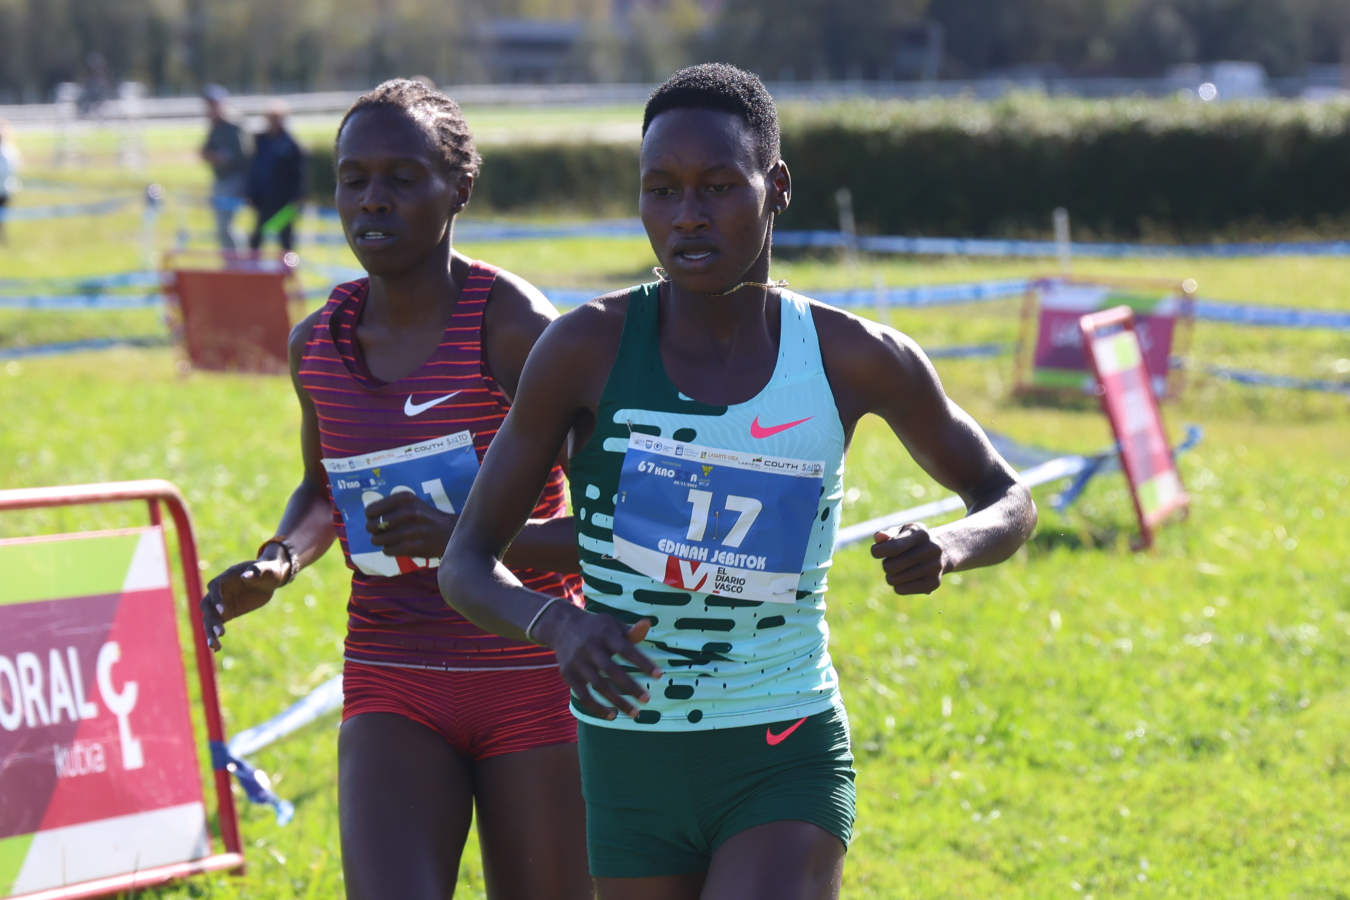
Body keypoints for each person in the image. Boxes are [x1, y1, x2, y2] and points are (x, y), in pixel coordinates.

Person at [439, 63, 1038, 900]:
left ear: (776, 187)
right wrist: (558, 628)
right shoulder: (586, 349)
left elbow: (1007, 496)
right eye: (662, 189)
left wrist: (951, 545)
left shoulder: (853, 357)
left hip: (782, 746)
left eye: (719, 186)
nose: (687, 215)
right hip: (628, 759)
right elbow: (465, 562)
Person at [201, 78, 593, 900]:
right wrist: (277, 563)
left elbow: (614, 526)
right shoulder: (318, 344)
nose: (371, 201)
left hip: (528, 665)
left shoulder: (517, 327)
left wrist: (467, 540)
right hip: (390, 669)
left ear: (459, 188)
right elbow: (322, 490)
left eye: (402, 178)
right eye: (353, 178)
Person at [246, 100, 306, 254]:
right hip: (264, 199)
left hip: (284, 201)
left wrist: (298, 198)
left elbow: (299, 174)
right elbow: (254, 168)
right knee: (256, 238)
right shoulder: (260, 140)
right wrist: (251, 192)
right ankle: (253, 271)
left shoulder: (291, 144)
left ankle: (287, 273)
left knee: (286, 240)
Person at [200, 85, 248, 251]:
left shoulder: (233, 126)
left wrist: (219, 157)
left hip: (233, 181)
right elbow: (206, 151)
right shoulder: (215, 126)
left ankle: (238, 261)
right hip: (221, 181)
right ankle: (231, 262)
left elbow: (241, 156)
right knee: (222, 228)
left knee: (225, 227)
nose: (209, 108)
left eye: (212, 104)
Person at [0, 119, 19, 245]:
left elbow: (8, 172)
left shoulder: (8, 151)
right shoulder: (10, 150)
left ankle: (3, 240)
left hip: (4, 191)